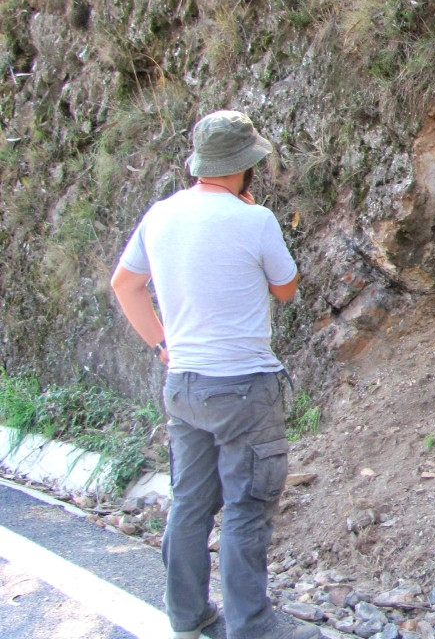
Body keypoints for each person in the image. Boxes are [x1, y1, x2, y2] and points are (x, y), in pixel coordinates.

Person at [111, 110, 317, 639]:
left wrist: (162, 343)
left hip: (183, 383)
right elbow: (286, 289)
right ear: (247, 166)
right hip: (244, 387)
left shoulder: (159, 215)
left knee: (190, 503)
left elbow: (125, 284)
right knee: (247, 508)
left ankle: (187, 616)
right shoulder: (255, 220)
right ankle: (252, 627)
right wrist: (251, 218)